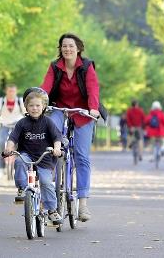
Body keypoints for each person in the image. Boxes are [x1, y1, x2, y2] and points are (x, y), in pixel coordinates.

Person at [40, 33, 101, 222]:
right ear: (60, 49)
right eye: (64, 46)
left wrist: (93, 108)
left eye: (71, 46)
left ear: (78, 48)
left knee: (82, 156)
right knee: (51, 144)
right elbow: (45, 88)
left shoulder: (86, 66)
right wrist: (39, 102)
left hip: (83, 111)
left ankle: (82, 204)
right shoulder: (55, 67)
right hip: (60, 108)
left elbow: (93, 89)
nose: (67, 49)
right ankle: (49, 191)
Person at [3, 87, 63, 224]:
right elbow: (13, 138)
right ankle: (22, 188)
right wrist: (9, 148)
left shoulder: (48, 122)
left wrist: (57, 148)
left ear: (43, 107)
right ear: (26, 107)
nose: (34, 108)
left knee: (46, 182)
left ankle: (52, 210)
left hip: (45, 158)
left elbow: (56, 138)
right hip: (27, 155)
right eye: (31, 105)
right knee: (18, 162)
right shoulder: (22, 123)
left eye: (37, 105)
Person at [0, 84, 26, 178]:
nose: (11, 93)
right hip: (4, 124)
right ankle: (1, 168)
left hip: (17, 125)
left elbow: (26, 111)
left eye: (13, 91)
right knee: (1, 143)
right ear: (6, 91)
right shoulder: (1, 101)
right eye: (9, 91)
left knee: (20, 144)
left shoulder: (20, 101)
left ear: (16, 91)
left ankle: (17, 166)